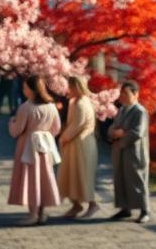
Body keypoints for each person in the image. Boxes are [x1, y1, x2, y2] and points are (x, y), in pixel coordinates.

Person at [8, 75, 62, 226]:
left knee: (31, 180)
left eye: (26, 87)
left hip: (28, 147)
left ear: (32, 90)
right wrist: (45, 135)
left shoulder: (26, 107)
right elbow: (56, 128)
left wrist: (11, 123)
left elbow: (16, 131)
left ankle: (32, 214)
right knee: (44, 179)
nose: (23, 89)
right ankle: (42, 213)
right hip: (45, 147)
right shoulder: (51, 106)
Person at [108, 79, 150, 224]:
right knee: (121, 179)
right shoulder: (121, 110)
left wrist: (122, 135)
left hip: (134, 151)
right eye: (121, 93)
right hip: (120, 150)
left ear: (136, 94)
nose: (122, 96)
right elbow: (112, 127)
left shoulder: (140, 111)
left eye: (126, 93)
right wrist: (113, 133)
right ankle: (125, 208)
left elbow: (138, 132)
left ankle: (145, 210)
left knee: (137, 180)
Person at [58, 76, 100, 220]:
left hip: (82, 144)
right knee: (71, 174)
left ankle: (92, 204)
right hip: (74, 144)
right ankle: (76, 204)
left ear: (76, 87)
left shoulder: (82, 103)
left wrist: (63, 138)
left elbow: (76, 126)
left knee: (82, 175)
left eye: (70, 87)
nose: (68, 90)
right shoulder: (74, 102)